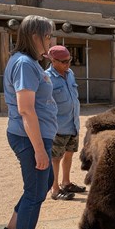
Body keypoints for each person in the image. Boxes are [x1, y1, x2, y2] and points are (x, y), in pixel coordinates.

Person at [1, 15, 58, 229]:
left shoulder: (28, 62)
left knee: (44, 182)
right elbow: (26, 109)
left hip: (32, 134)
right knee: (35, 191)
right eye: (47, 36)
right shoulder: (24, 63)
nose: (51, 40)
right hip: (29, 137)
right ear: (35, 37)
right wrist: (39, 150)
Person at [46, 45, 85, 201]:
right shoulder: (46, 77)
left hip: (72, 124)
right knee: (56, 158)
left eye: (69, 60)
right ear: (53, 61)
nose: (67, 64)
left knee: (69, 154)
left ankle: (66, 182)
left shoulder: (70, 74)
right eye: (63, 62)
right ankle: (55, 190)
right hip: (58, 127)